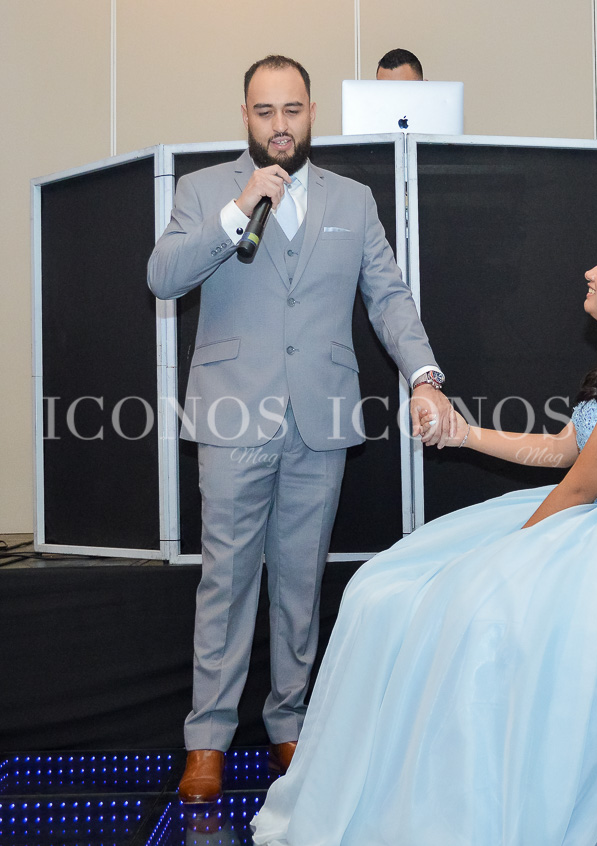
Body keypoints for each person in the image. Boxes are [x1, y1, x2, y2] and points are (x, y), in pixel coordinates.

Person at [250, 213, 597, 845]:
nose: (588, 272)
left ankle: (470, 790)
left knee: (477, 601)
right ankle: (397, 778)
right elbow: (564, 451)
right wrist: (464, 434)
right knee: (385, 586)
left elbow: (580, 488)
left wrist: (512, 553)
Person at [147, 54, 454, 804]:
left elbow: (388, 296)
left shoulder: (354, 198)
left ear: (312, 112)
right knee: (225, 581)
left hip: (322, 415)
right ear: (245, 117)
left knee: (300, 580)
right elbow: (163, 276)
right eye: (264, 112)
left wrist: (423, 375)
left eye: (291, 110)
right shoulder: (204, 190)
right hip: (232, 413)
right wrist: (237, 210)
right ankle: (207, 740)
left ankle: (290, 721)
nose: (279, 126)